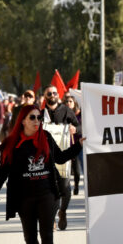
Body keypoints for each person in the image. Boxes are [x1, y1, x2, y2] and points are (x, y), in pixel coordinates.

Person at [0, 105, 84, 244]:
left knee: (47, 234)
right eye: (32, 118)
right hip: (24, 197)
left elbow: (61, 157)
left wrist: (78, 145)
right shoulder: (12, 144)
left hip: (47, 194)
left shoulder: (46, 138)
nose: (37, 121)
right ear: (23, 120)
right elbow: (3, 170)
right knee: (30, 237)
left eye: (39, 118)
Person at [42, 85, 81, 231]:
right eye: (49, 93)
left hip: (65, 154)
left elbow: (81, 127)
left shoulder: (66, 111)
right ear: (45, 97)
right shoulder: (40, 114)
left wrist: (75, 129)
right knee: (50, 190)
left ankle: (62, 211)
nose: (52, 95)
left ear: (58, 95)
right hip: (48, 158)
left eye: (54, 93)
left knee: (65, 187)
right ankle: (51, 218)